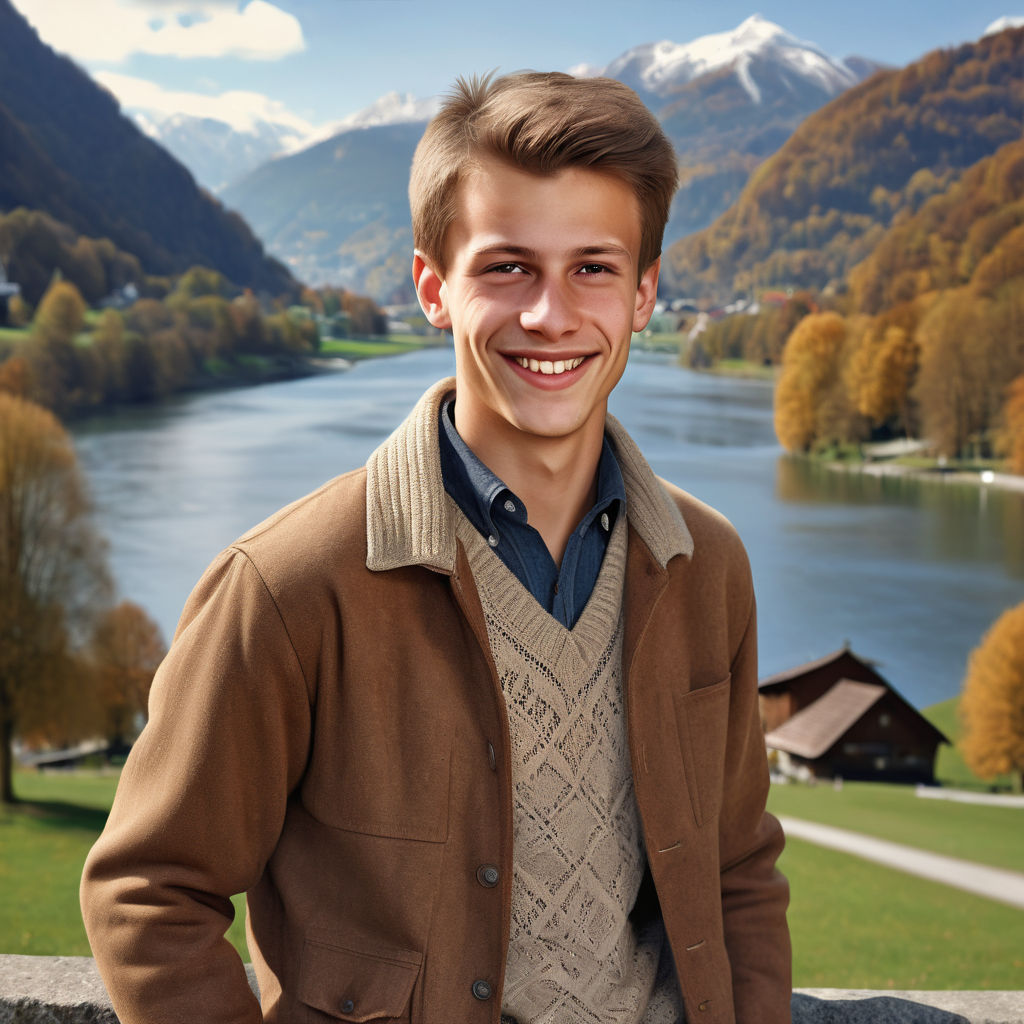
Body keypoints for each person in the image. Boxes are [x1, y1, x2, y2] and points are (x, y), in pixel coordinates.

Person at [81, 71, 790, 1024]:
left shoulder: (708, 565)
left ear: (644, 294)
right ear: (433, 289)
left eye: (593, 268)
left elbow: (739, 869)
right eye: (508, 268)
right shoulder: (289, 585)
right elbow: (147, 893)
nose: (551, 315)